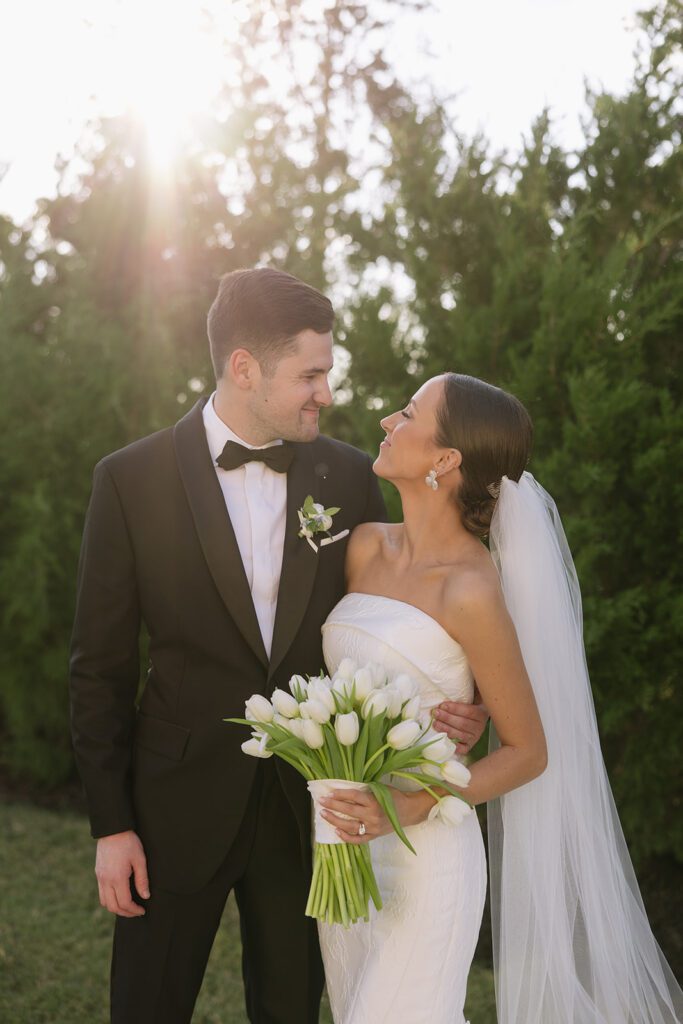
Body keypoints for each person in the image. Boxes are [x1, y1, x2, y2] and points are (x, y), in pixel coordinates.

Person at [68, 269, 489, 1024]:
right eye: (311, 373)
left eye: (326, 373)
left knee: (293, 1008)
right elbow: (99, 669)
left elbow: (406, 610)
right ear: (243, 368)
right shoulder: (128, 481)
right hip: (173, 808)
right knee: (146, 1005)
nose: (325, 393)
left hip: (311, 811)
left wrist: (460, 702)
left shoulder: (354, 477)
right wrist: (111, 824)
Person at [317, 373, 683, 1024]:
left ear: (445, 460)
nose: (385, 423)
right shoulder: (364, 545)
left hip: (421, 853)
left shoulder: (472, 588)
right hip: (339, 841)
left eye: (406, 413)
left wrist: (403, 803)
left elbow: (527, 752)